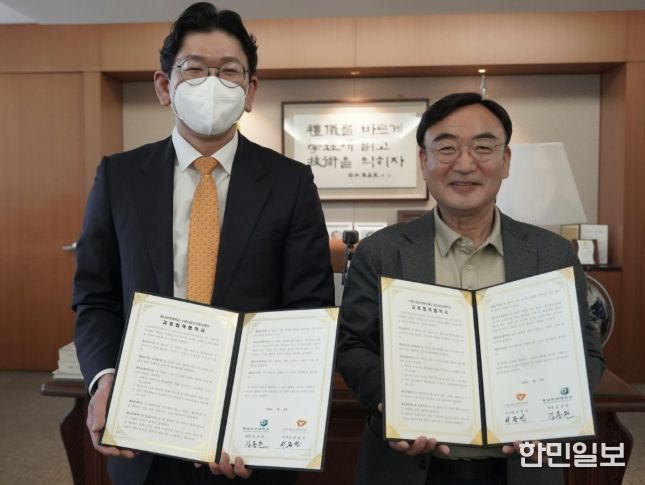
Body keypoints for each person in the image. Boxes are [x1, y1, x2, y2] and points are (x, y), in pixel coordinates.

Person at [72, 3, 334, 484]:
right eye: (193, 69)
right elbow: (95, 298)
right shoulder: (119, 177)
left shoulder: (290, 183)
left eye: (229, 71)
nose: (212, 83)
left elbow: (307, 310)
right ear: (164, 86)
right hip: (143, 430)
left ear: (249, 91)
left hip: (248, 441)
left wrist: (265, 414)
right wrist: (104, 378)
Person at [336, 92, 605, 485]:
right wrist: (391, 403)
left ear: (505, 160)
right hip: (406, 466)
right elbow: (352, 345)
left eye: (483, 147)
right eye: (446, 148)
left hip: (519, 469)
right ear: (424, 161)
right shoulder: (380, 252)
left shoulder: (551, 254)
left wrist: (557, 413)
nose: (464, 164)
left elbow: (587, 351)